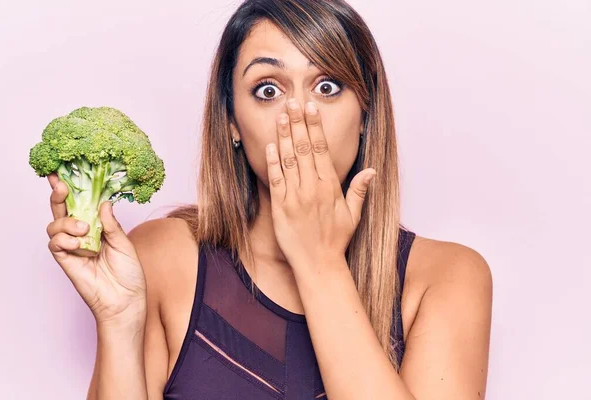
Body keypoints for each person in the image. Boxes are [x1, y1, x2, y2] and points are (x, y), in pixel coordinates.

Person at [45, 0, 493, 398]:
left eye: (327, 87)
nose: (300, 115)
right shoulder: (163, 257)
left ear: (366, 114)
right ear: (232, 124)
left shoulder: (447, 278)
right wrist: (119, 322)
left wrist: (319, 261)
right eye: (268, 90)